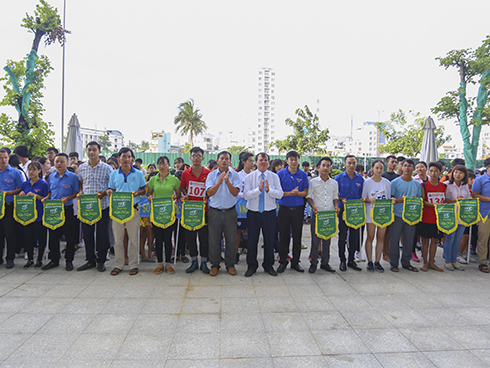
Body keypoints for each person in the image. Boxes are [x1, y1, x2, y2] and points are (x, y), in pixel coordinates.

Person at [106, 147, 147, 276]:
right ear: (119, 158)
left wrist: (138, 193)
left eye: (129, 157)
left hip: (133, 209)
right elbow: (111, 189)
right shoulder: (114, 174)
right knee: (118, 239)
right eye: (123, 156)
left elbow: (144, 189)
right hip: (117, 210)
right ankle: (119, 264)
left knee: (134, 239)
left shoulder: (138, 174)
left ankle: (133, 265)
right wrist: (109, 192)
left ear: (132, 159)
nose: (126, 159)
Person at [243, 152, 283, 277]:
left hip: (269, 213)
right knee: (252, 241)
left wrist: (269, 190)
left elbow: (280, 194)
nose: (263, 162)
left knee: (269, 240)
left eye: (265, 160)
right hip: (253, 213)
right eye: (261, 160)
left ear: (268, 162)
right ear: (256, 162)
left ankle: (268, 265)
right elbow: (246, 195)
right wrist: (258, 190)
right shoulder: (250, 177)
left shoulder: (274, 177)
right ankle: (251, 266)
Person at [77, 141, 113, 272]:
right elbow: (81, 183)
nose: (91, 152)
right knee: (87, 234)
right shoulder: (82, 168)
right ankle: (90, 260)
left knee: (102, 234)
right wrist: (80, 193)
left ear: (99, 151)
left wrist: (104, 194)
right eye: (89, 150)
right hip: (87, 206)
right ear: (86, 152)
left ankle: (101, 260)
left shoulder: (107, 168)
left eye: (94, 150)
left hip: (102, 206)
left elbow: (111, 187)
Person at [41, 153, 80, 271]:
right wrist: (46, 198)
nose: (58, 164)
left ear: (67, 163)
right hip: (54, 210)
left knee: (69, 237)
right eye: (57, 161)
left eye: (61, 161)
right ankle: (54, 260)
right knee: (53, 236)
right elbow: (50, 192)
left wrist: (68, 198)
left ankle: (69, 260)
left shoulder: (73, 177)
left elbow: (76, 192)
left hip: (67, 209)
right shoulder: (51, 177)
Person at [205, 151, 241, 276]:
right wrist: (219, 182)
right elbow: (209, 193)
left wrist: (227, 182)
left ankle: (230, 265)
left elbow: (236, 193)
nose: (224, 161)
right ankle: (215, 265)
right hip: (215, 212)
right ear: (218, 161)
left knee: (231, 240)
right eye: (222, 158)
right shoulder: (211, 176)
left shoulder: (235, 175)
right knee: (214, 240)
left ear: (230, 161)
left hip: (230, 212)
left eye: (227, 159)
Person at [147, 156, 181, 274]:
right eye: (159, 163)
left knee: (167, 239)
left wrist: (175, 197)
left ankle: (168, 264)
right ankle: (160, 264)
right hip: (157, 214)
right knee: (159, 239)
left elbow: (178, 194)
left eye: (164, 163)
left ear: (169, 165)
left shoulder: (174, 179)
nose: (162, 166)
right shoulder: (153, 180)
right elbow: (149, 193)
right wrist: (150, 198)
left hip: (169, 214)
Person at [277, 150, 309, 273]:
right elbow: (277, 192)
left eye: (296, 159)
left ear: (298, 160)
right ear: (287, 160)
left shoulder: (303, 175)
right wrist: (288, 193)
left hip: (298, 210)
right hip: (284, 210)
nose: (294, 162)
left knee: (297, 237)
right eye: (291, 159)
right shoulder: (280, 174)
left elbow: (305, 192)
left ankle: (295, 262)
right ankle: (283, 261)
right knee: (283, 237)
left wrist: (297, 193)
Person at [180, 147, 211, 273]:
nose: (196, 158)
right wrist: (185, 194)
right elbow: (182, 187)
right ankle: (193, 261)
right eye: (194, 155)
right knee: (190, 237)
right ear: (190, 158)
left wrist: (207, 195)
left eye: (199, 155)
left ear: (203, 158)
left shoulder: (208, 173)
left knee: (204, 238)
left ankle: (204, 262)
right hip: (190, 209)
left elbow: (210, 189)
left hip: (204, 210)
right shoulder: (185, 173)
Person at [306, 157, 339, 274]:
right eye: (323, 165)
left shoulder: (334, 183)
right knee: (315, 240)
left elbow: (335, 197)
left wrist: (336, 206)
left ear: (330, 168)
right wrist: (313, 207)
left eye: (328, 165)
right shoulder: (313, 182)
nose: (325, 168)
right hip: (318, 214)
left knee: (327, 241)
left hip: (329, 215)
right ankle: (313, 263)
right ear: (319, 167)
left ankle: (325, 263)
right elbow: (309, 196)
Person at [390, 159, 421, 273]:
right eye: (405, 166)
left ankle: (406, 262)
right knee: (394, 240)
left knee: (409, 239)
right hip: (397, 214)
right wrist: (401, 200)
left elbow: (420, 199)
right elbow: (390, 199)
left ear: (413, 168)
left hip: (411, 215)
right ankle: (394, 263)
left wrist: (413, 199)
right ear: (401, 167)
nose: (407, 168)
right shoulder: (395, 182)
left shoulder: (417, 184)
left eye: (410, 166)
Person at [335, 155, 363, 271]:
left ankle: (351, 260)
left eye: (354, 163)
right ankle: (342, 260)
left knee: (354, 236)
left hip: (355, 211)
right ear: (345, 164)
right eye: (349, 163)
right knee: (342, 236)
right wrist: (340, 199)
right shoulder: (338, 178)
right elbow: (335, 194)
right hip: (343, 210)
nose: (352, 165)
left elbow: (362, 194)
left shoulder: (360, 179)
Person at [362, 159, 391, 272]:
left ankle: (377, 261)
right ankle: (369, 261)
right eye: (377, 168)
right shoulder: (367, 183)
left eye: (381, 168)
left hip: (383, 214)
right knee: (370, 237)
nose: (379, 170)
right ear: (372, 168)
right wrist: (370, 200)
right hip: (370, 214)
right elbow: (363, 198)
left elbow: (388, 198)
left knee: (381, 237)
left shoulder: (387, 183)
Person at [19, 162, 49, 268]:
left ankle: (39, 259)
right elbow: (21, 198)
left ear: (39, 171)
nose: (31, 172)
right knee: (28, 238)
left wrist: (36, 196)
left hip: (40, 215)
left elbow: (46, 199)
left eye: (34, 169)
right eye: (29, 170)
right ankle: (30, 259)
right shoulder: (25, 184)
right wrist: (21, 195)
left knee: (41, 238)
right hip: (28, 215)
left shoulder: (43, 184)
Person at [419, 162, 446, 272]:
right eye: (431, 171)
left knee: (435, 241)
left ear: (440, 172)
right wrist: (434, 205)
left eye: (436, 171)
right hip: (426, 217)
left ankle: (432, 262)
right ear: (428, 172)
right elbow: (423, 201)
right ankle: (425, 262)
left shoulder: (444, 186)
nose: (433, 173)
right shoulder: (424, 185)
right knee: (425, 241)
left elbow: (446, 200)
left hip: (438, 218)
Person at [444, 165, 471, 271]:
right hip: (450, 215)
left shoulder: (465, 186)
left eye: (460, 173)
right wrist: (456, 200)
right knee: (450, 239)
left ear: (464, 175)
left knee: (457, 239)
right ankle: (448, 261)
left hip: (462, 216)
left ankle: (454, 260)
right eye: (455, 172)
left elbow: (468, 198)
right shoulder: (447, 185)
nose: (457, 175)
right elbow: (444, 199)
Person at [0, 149, 24, 268]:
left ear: (9, 158)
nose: (3, 160)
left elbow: (21, 188)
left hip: (9, 206)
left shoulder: (16, 173)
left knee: (10, 234)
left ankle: (10, 258)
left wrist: (9, 193)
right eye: (1, 158)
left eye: (5, 157)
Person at [471, 157, 490, 273]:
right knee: (483, 238)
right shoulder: (480, 180)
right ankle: (482, 262)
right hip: (484, 214)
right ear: (487, 167)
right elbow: (475, 195)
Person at [236, 152, 254, 263]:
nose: (252, 163)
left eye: (253, 161)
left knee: (251, 231)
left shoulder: (255, 175)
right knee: (238, 231)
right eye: (250, 161)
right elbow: (236, 192)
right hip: (240, 207)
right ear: (244, 162)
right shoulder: (238, 175)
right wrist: (246, 195)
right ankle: (236, 252)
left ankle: (250, 253)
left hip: (252, 206)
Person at [381, 155, 400, 263]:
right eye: (392, 162)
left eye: (395, 162)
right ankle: (384, 252)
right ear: (387, 163)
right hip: (384, 208)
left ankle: (390, 252)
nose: (394, 164)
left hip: (395, 208)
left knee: (392, 232)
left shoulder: (398, 177)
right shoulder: (383, 176)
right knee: (385, 231)